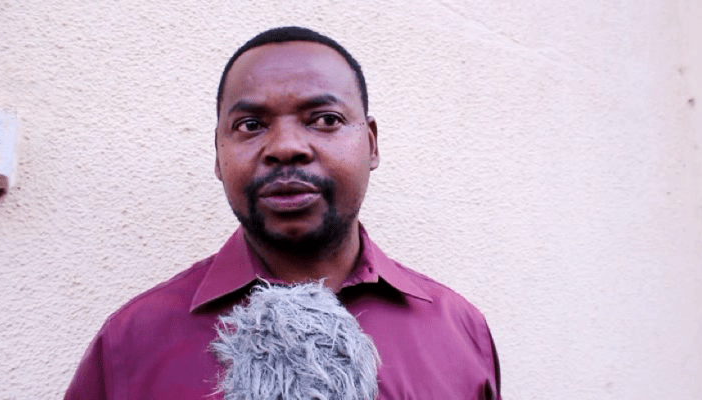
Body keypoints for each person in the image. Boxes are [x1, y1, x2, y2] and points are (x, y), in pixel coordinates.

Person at [65, 26, 502, 399]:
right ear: (218, 154)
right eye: (251, 125)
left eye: (325, 119)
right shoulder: (131, 343)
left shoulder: (461, 332)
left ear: (371, 143)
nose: (286, 147)